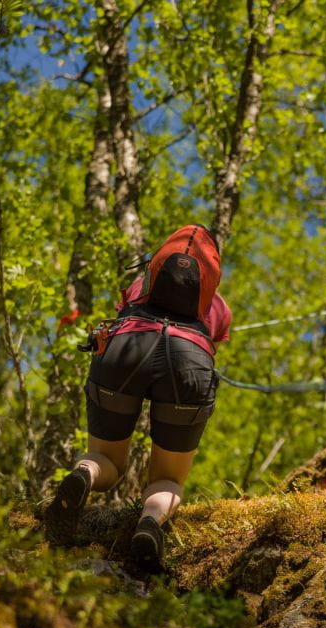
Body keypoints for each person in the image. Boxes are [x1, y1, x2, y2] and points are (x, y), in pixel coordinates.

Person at [45, 224, 230, 570]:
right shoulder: (219, 307)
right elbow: (214, 343)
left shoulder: (138, 285)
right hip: (190, 363)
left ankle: (84, 472)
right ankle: (149, 523)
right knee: (168, 478)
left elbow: (122, 311)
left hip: (124, 348)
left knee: (107, 460)